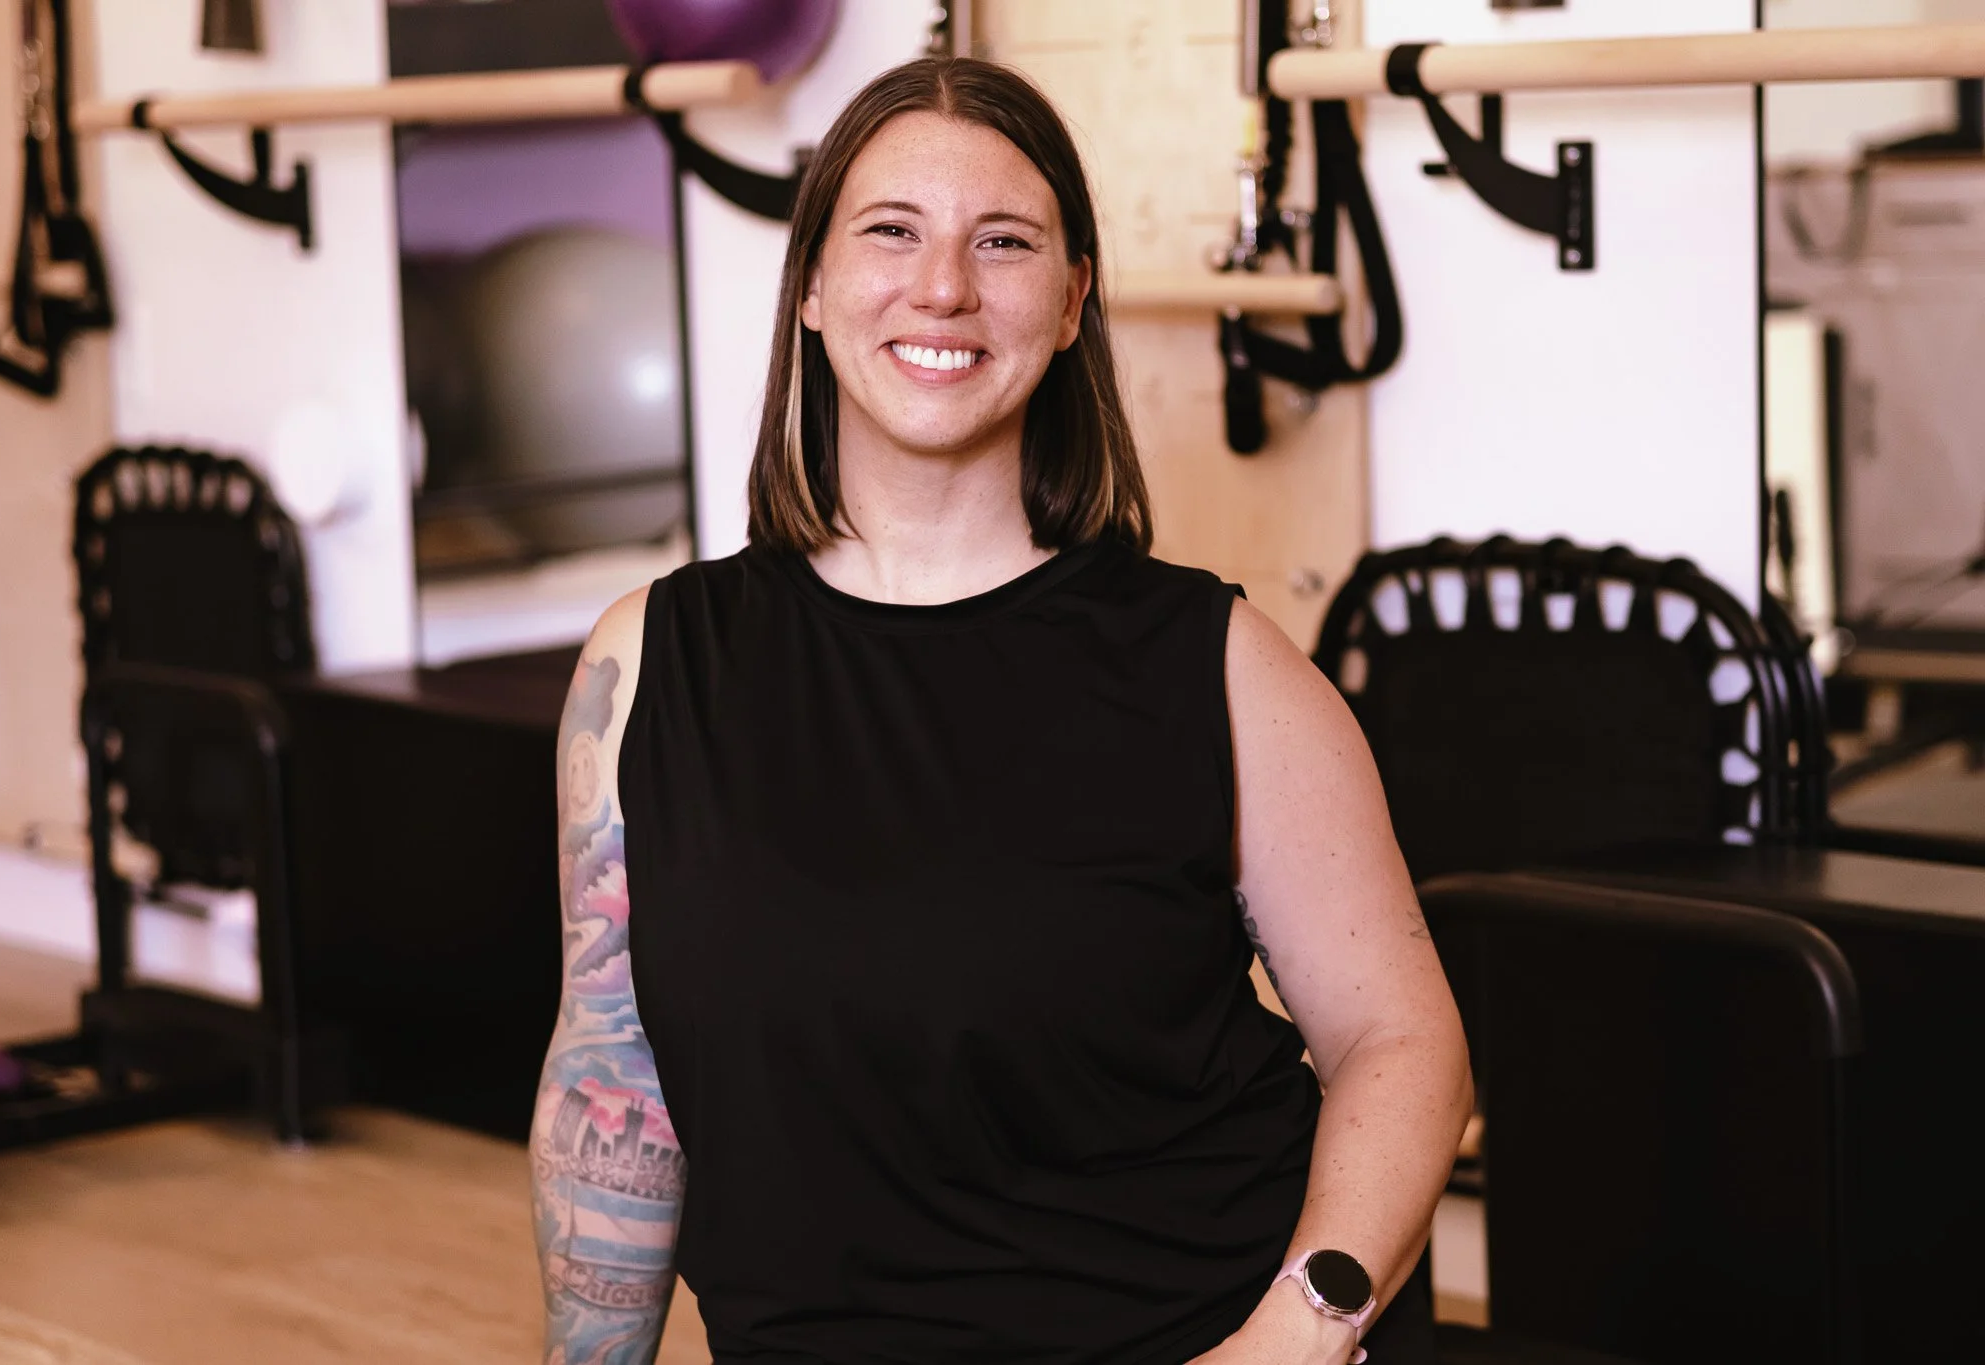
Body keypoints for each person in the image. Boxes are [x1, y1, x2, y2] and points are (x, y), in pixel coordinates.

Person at [531, 56, 1472, 1365]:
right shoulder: (648, 666)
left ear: (1075, 298)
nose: (945, 288)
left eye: (1005, 243)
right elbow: (612, 1086)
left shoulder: (1219, 665)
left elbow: (1401, 1038)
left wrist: (1299, 1333)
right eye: (892, 232)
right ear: (809, 286)